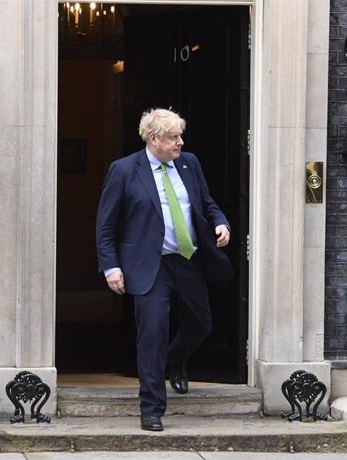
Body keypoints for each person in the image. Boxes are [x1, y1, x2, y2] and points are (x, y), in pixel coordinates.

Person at [95, 108, 234, 431]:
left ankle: (176, 361)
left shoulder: (189, 164)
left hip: (187, 261)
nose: (180, 143)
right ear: (154, 138)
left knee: (201, 324)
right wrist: (111, 267)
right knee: (153, 334)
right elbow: (105, 226)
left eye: (180, 136)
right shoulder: (124, 170)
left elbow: (206, 202)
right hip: (149, 265)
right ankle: (152, 408)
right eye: (174, 137)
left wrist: (220, 221)